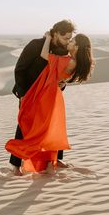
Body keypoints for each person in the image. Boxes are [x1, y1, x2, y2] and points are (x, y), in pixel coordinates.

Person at [9, 20, 76, 175]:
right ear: (56, 33)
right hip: (29, 93)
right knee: (24, 125)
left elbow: (61, 74)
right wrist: (24, 94)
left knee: (53, 122)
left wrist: (63, 85)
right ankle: (15, 165)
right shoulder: (36, 45)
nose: (67, 42)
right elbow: (20, 69)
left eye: (69, 39)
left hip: (48, 95)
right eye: (65, 38)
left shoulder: (62, 50)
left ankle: (56, 158)